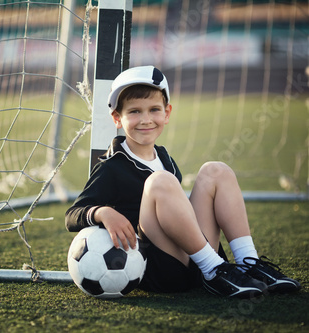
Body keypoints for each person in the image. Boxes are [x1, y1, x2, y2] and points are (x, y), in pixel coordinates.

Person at [65, 66, 301, 298]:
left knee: (216, 170)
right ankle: (213, 269)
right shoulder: (112, 166)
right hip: (161, 269)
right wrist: (103, 212)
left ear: (167, 113)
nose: (145, 119)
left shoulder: (165, 157)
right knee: (160, 181)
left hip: (195, 259)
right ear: (117, 118)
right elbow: (72, 215)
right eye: (134, 111)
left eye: (154, 109)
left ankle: (248, 263)